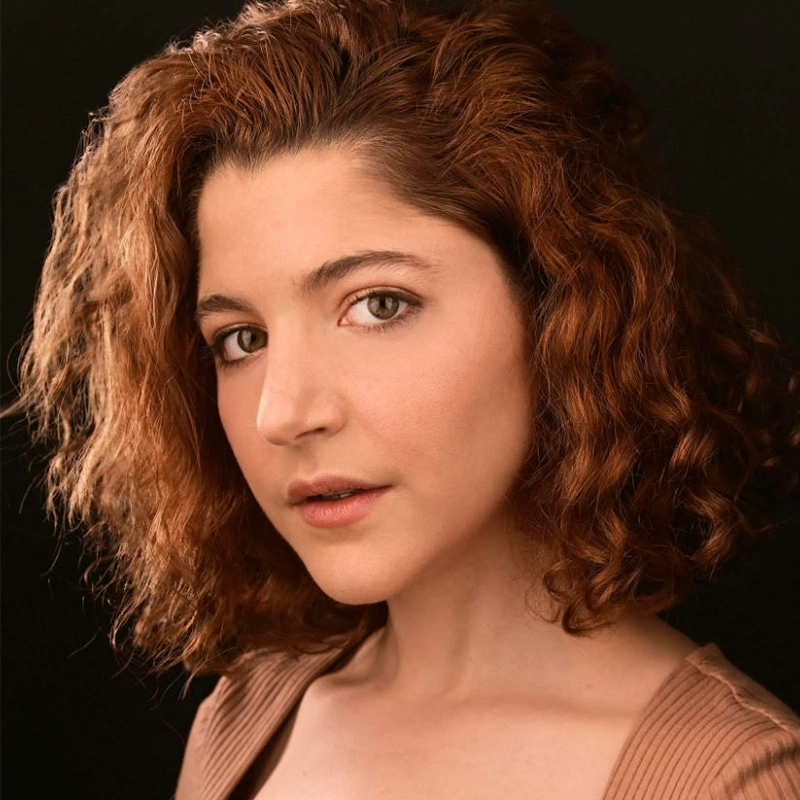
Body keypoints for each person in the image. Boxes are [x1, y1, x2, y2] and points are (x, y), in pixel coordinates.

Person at [9, 0, 800, 797]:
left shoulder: (730, 779)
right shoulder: (249, 722)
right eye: (241, 340)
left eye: (378, 304)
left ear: (561, 308)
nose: (281, 414)